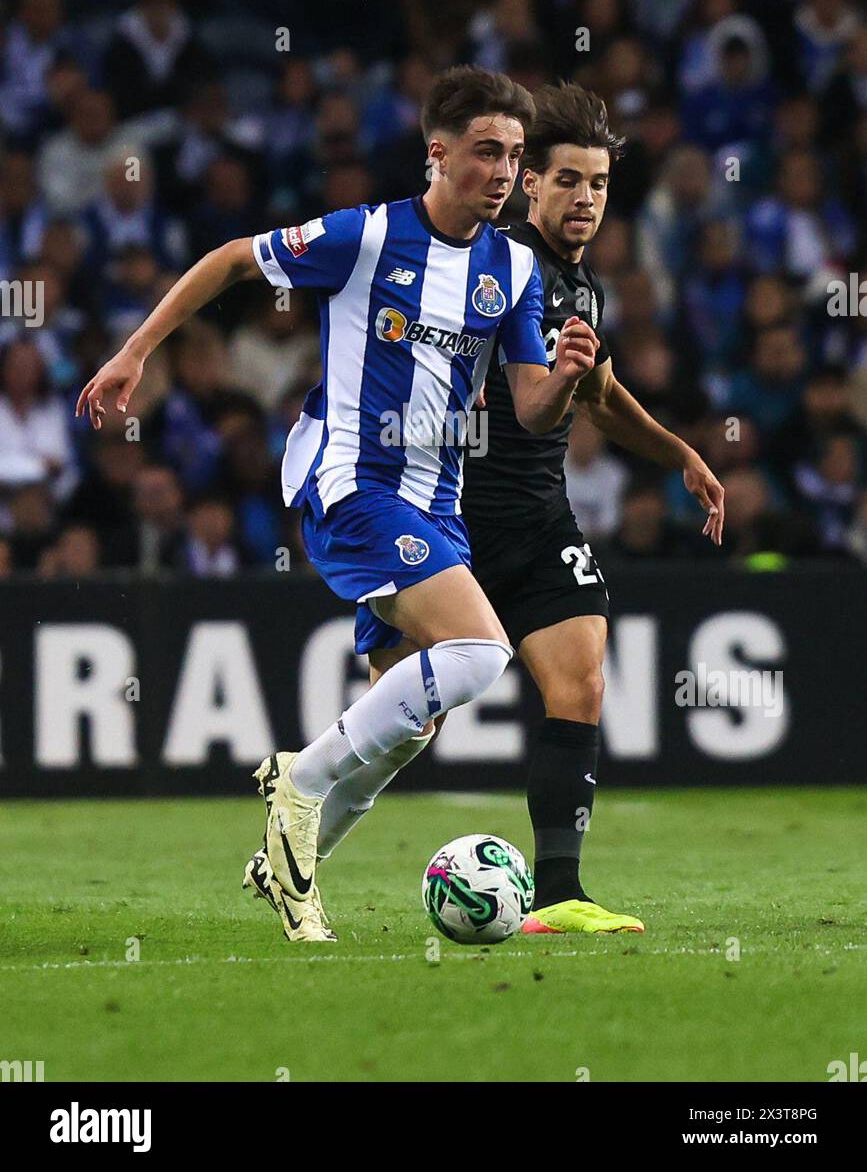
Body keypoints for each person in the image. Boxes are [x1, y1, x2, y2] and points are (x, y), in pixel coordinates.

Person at [76, 66, 599, 942]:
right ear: (437, 154)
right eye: (485, 152)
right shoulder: (365, 236)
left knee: (406, 721)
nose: (504, 172)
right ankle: (299, 782)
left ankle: (286, 869)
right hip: (350, 475)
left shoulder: (509, 266)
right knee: (478, 652)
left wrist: (569, 378)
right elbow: (231, 260)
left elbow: (531, 399)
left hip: (435, 498)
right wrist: (136, 351)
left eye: (513, 154)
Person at [285, 82, 726, 936]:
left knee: (581, 676)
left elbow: (595, 395)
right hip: (448, 514)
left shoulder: (578, 287)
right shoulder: (490, 261)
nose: (585, 200)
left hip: (538, 516)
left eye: (598, 185)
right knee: (406, 731)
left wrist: (678, 453)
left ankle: (558, 894)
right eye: (567, 181)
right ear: (531, 183)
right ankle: (293, 841)